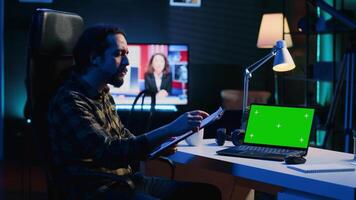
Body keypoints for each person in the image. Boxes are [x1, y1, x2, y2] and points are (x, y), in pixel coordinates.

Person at [47, 24, 221, 200]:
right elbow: (108, 152)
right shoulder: (70, 101)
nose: (127, 62)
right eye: (118, 54)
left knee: (207, 193)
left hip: (125, 182)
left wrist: (160, 144)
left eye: (126, 54)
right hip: (98, 191)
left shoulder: (103, 94)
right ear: (95, 58)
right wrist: (170, 128)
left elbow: (123, 138)